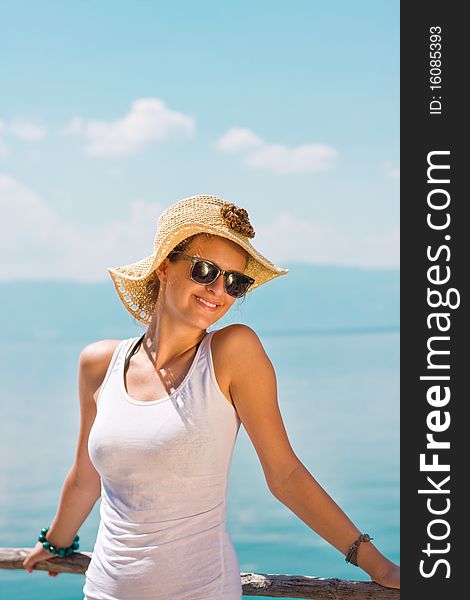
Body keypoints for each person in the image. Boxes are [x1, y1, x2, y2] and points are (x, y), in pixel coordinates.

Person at [22, 195, 400, 598]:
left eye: (236, 281)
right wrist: (53, 545)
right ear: (165, 265)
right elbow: (85, 479)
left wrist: (379, 565)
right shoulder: (99, 364)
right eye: (206, 271)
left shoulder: (232, 352)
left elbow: (285, 475)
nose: (219, 290)